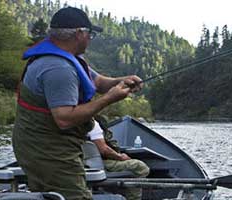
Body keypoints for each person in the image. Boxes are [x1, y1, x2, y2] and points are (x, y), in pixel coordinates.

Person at [12, 7, 143, 200]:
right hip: (47, 149)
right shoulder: (58, 67)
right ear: (79, 33)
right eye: (90, 34)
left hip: (55, 144)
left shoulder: (71, 58)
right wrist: (109, 99)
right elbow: (64, 119)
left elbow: (97, 82)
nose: (90, 38)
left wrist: (121, 81)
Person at [88, 116, 150, 200]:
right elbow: (104, 150)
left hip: (81, 162)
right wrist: (120, 157)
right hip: (97, 164)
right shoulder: (92, 124)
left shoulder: (70, 122)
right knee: (140, 167)